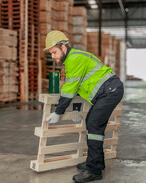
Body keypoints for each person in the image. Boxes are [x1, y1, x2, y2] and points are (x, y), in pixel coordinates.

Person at [44, 30, 124, 183]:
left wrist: (58, 112)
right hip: (108, 92)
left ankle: (94, 170)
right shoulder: (72, 60)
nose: (53, 57)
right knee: (93, 124)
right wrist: (76, 110)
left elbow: (69, 90)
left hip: (110, 91)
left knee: (94, 124)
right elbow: (78, 89)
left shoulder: (74, 59)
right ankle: (96, 162)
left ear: (63, 47)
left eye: (54, 52)